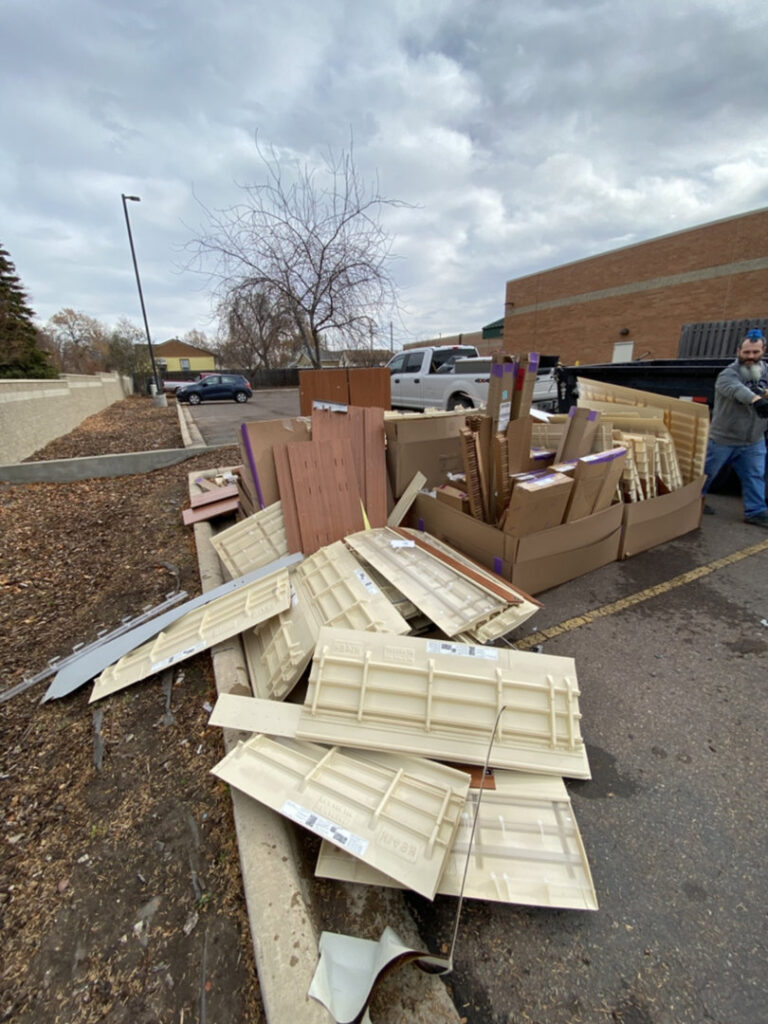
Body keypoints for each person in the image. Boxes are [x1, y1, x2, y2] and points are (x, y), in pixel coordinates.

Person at [703, 329, 768, 526]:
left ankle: (755, 511)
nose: (750, 357)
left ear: (763, 351)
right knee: (706, 473)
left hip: (753, 440)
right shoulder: (728, 374)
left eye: (755, 352)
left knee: (755, 475)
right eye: (746, 352)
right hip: (723, 439)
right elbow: (735, 389)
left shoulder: (765, 372)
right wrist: (756, 400)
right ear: (739, 350)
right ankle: (693, 501)